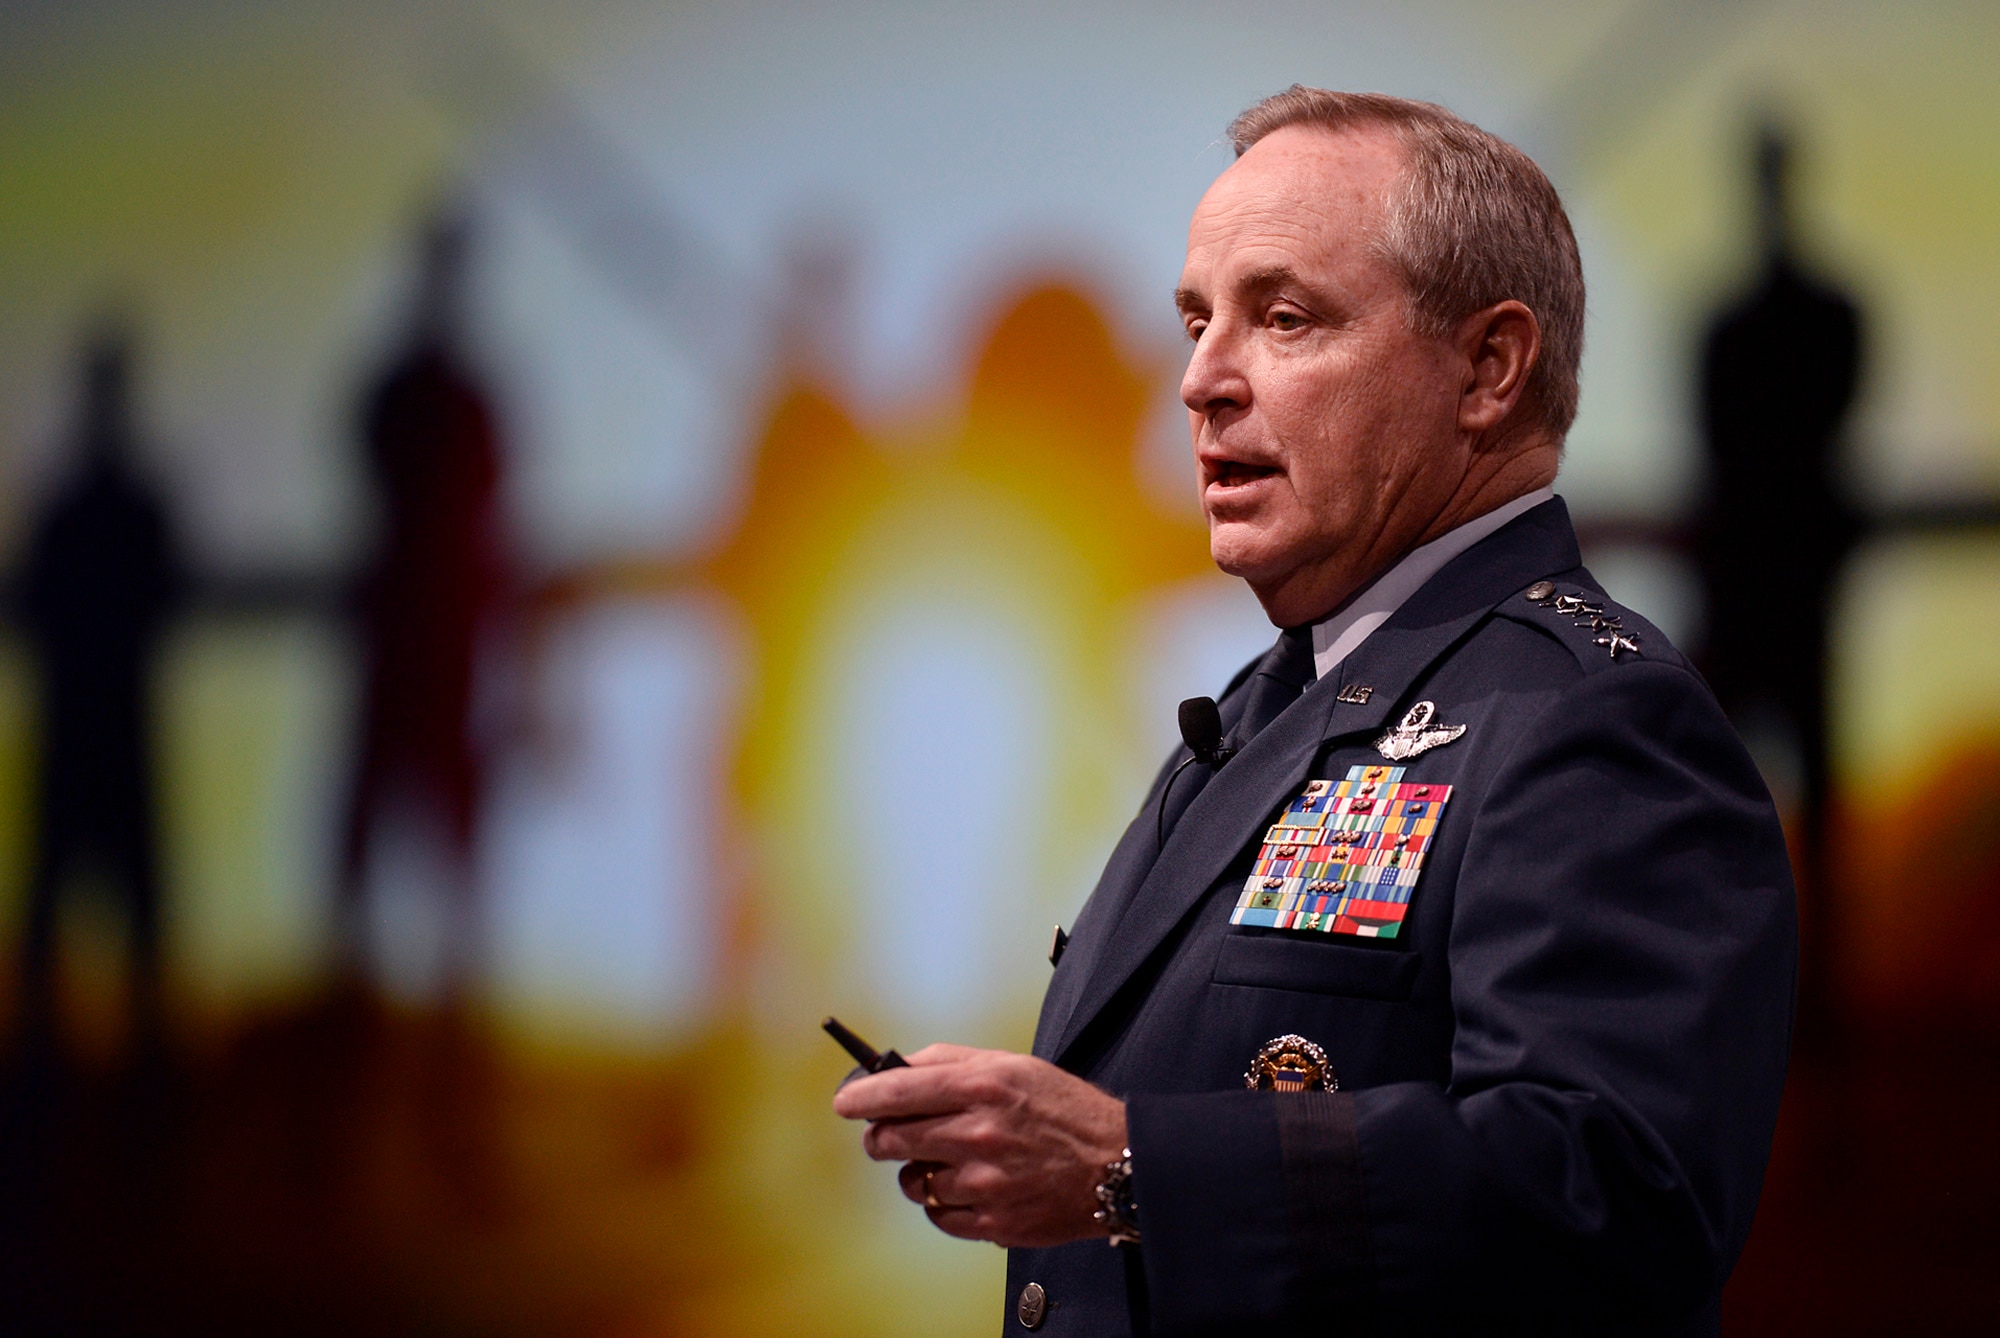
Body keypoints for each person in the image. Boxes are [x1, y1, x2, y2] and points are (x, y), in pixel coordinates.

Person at [834, 88, 1796, 1336]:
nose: (1199, 381)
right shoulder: (1265, 704)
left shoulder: (1591, 722)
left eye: (1283, 319)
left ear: (1486, 370)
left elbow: (1613, 1198)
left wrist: (1133, 1170)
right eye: (1194, 321)